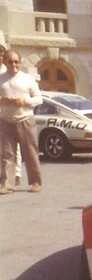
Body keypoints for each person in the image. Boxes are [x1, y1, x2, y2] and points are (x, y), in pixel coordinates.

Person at [0, 50, 43, 194]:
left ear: (20, 62)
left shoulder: (27, 79)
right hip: (6, 121)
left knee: (30, 153)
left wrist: (25, 101)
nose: (13, 65)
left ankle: (36, 182)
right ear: (5, 63)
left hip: (24, 119)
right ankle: (7, 184)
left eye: (16, 61)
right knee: (7, 155)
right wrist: (2, 101)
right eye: (10, 62)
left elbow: (39, 98)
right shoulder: (1, 79)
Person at [0, 33, 22, 186]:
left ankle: (17, 173)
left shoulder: (9, 70)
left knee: (15, 147)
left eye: (2, 53)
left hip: (12, 114)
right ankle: (3, 174)